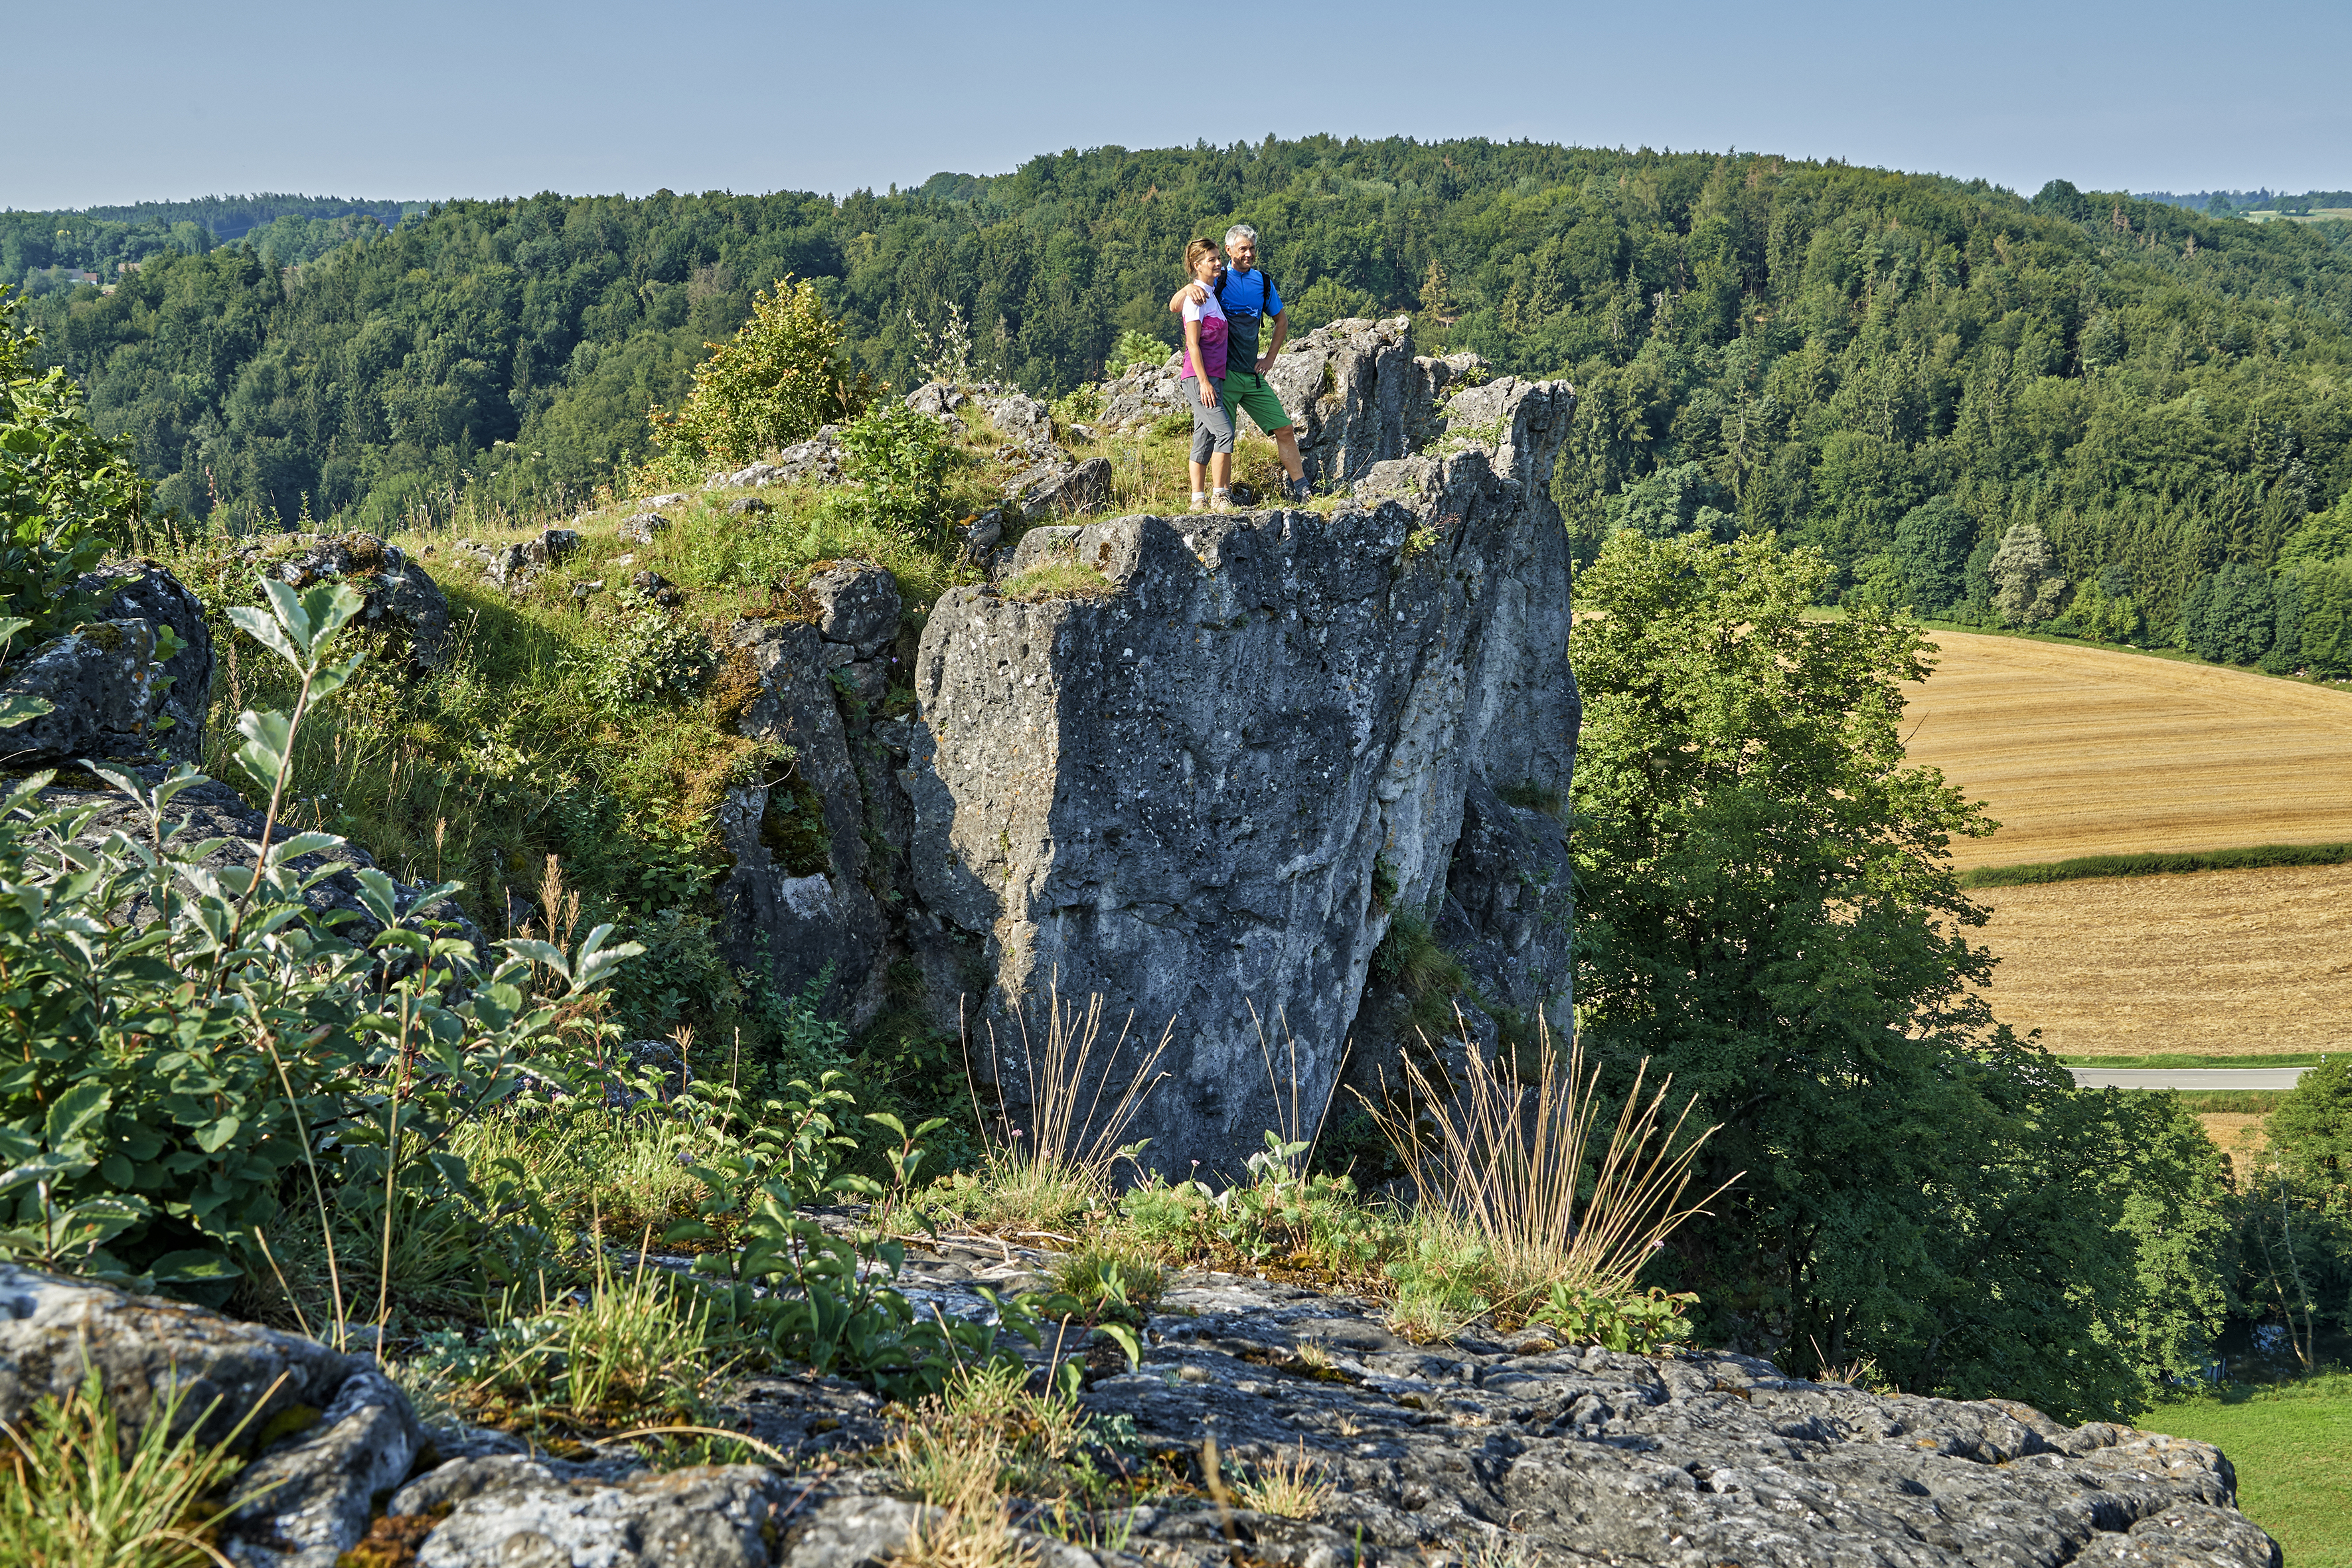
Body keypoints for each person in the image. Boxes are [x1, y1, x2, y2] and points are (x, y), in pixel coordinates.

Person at [1170, 222, 1312, 505]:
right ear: (1229, 250)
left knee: (1283, 428)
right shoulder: (1218, 280)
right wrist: (1188, 287)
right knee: (1220, 436)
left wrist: (1270, 358)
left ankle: (1303, 488)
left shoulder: (1264, 282)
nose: (1248, 254)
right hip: (1224, 375)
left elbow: (1281, 321)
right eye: (1242, 249)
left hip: (1252, 375)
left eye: (1252, 248)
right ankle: (1218, 495)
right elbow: (1177, 307)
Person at [1176, 238, 1236, 511]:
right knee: (1225, 432)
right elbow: (1192, 344)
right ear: (1197, 265)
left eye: (1217, 258)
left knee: (1205, 436)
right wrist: (1203, 382)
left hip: (1214, 377)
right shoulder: (1196, 297)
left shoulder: (1211, 293)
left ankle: (1197, 501)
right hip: (1199, 378)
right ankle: (1220, 495)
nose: (1217, 263)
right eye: (1211, 260)